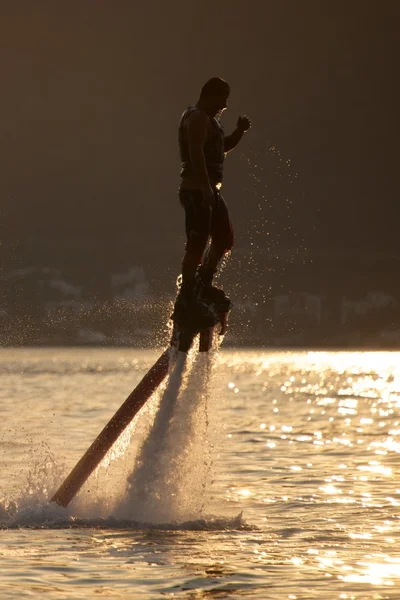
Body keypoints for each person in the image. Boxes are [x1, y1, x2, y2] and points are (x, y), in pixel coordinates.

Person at [174, 77, 251, 320]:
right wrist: (205, 188)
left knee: (224, 237)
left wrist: (239, 132)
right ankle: (187, 296)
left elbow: (221, 148)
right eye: (222, 99)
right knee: (197, 243)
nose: (225, 105)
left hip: (210, 190)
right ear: (210, 96)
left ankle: (203, 283)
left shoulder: (210, 122)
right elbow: (195, 152)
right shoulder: (196, 117)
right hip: (197, 190)